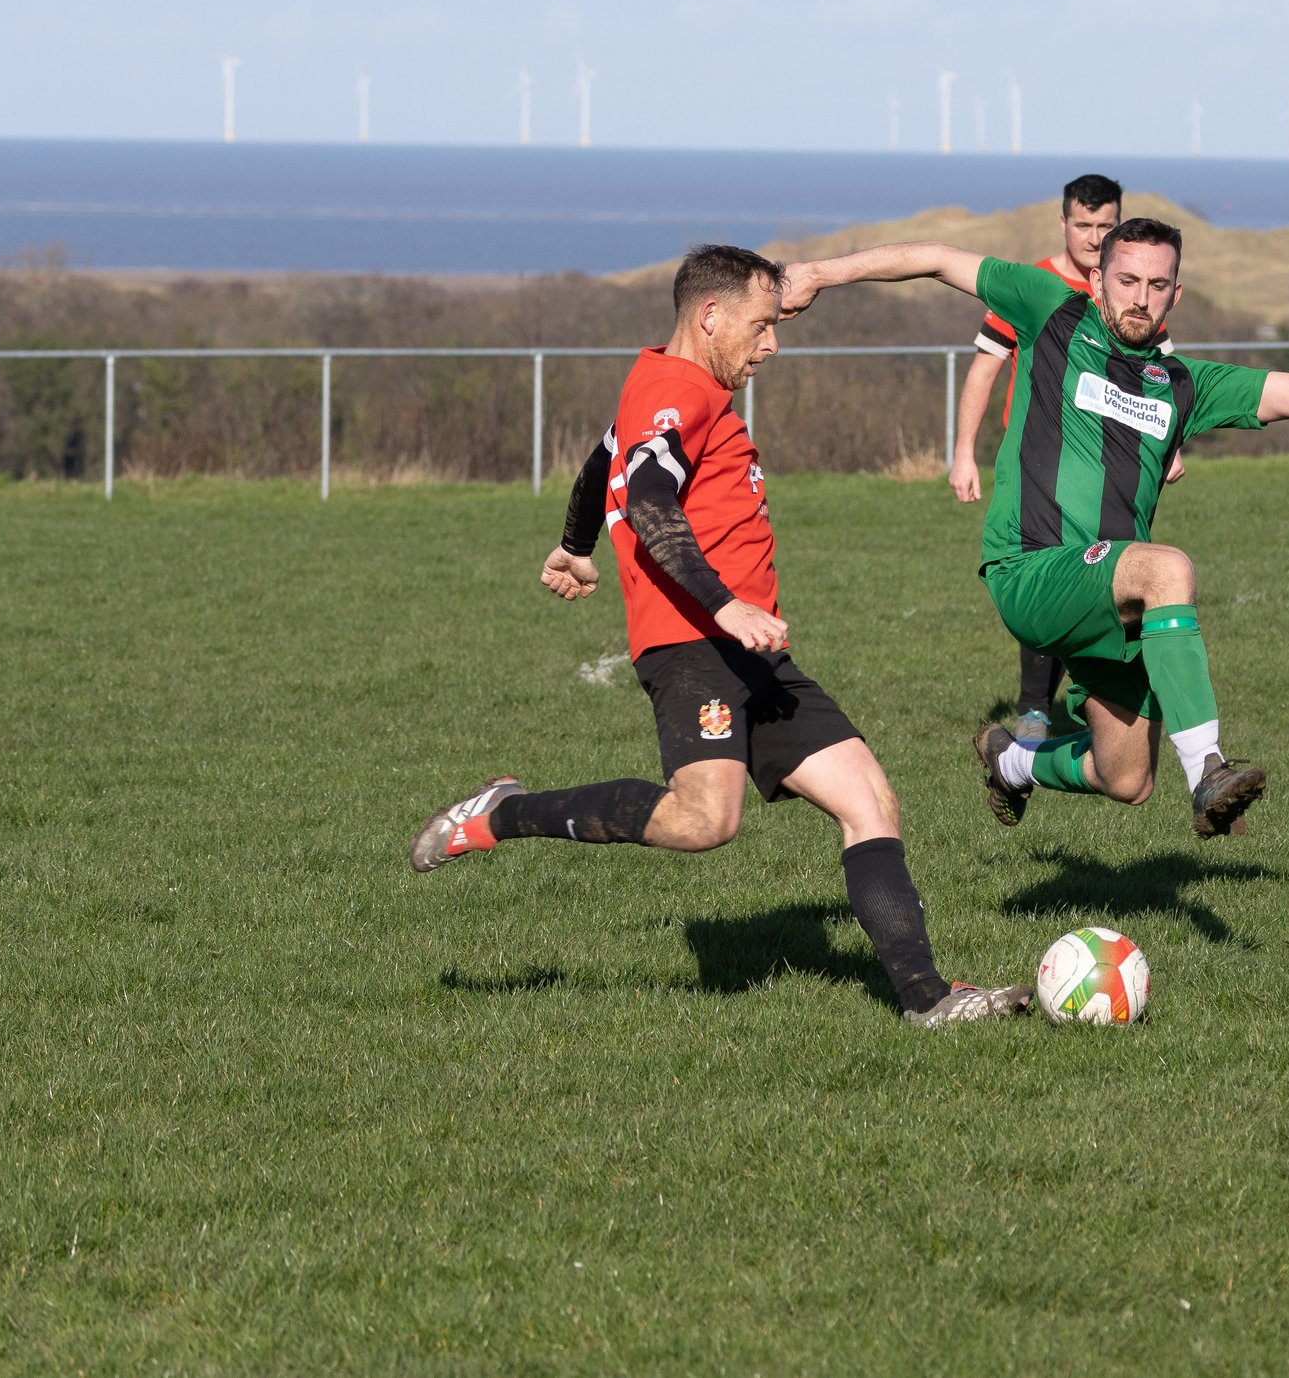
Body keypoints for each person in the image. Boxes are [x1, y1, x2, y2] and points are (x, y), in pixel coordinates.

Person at [408, 244, 1028, 1026]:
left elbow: (605, 463)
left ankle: (929, 1000)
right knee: (705, 821)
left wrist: (574, 545)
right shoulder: (679, 391)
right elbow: (649, 500)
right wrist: (723, 604)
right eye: (761, 326)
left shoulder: (664, 388)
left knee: (870, 799)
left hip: (754, 652)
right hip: (693, 643)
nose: (773, 344)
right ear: (710, 317)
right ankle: (503, 813)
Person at [783, 218, 1289, 837]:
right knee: (1168, 567)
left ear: (1176, 295)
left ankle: (1011, 762)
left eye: (1156, 285)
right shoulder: (1052, 310)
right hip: (1032, 569)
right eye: (1127, 280)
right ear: (1099, 278)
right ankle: (1208, 770)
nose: (1140, 296)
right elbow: (933, 257)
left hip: (1112, 599)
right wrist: (816, 273)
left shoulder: (1184, 384)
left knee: (1126, 777)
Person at [947, 173, 1177, 740]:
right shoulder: (1037, 288)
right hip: (1037, 471)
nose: (1094, 235)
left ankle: (1087, 701)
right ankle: (1034, 708)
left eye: (1106, 226)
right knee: (1044, 570)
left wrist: (1173, 446)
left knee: (1104, 575)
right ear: (1064, 225)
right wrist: (962, 452)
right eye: (1084, 225)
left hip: (1111, 473)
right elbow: (984, 368)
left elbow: (1170, 384)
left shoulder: (1134, 296)